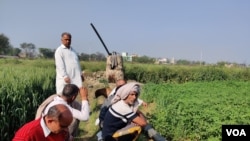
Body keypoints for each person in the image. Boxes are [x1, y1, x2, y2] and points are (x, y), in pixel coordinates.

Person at [101, 82, 166, 141]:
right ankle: (159, 138)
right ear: (126, 95)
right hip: (110, 137)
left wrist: (139, 117)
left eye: (135, 95)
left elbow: (142, 120)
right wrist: (140, 117)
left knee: (138, 124)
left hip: (113, 132)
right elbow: (143, 123)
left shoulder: (124, 104)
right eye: (131, 94)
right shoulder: (123, 107)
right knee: (139, 127)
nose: (134, 97)